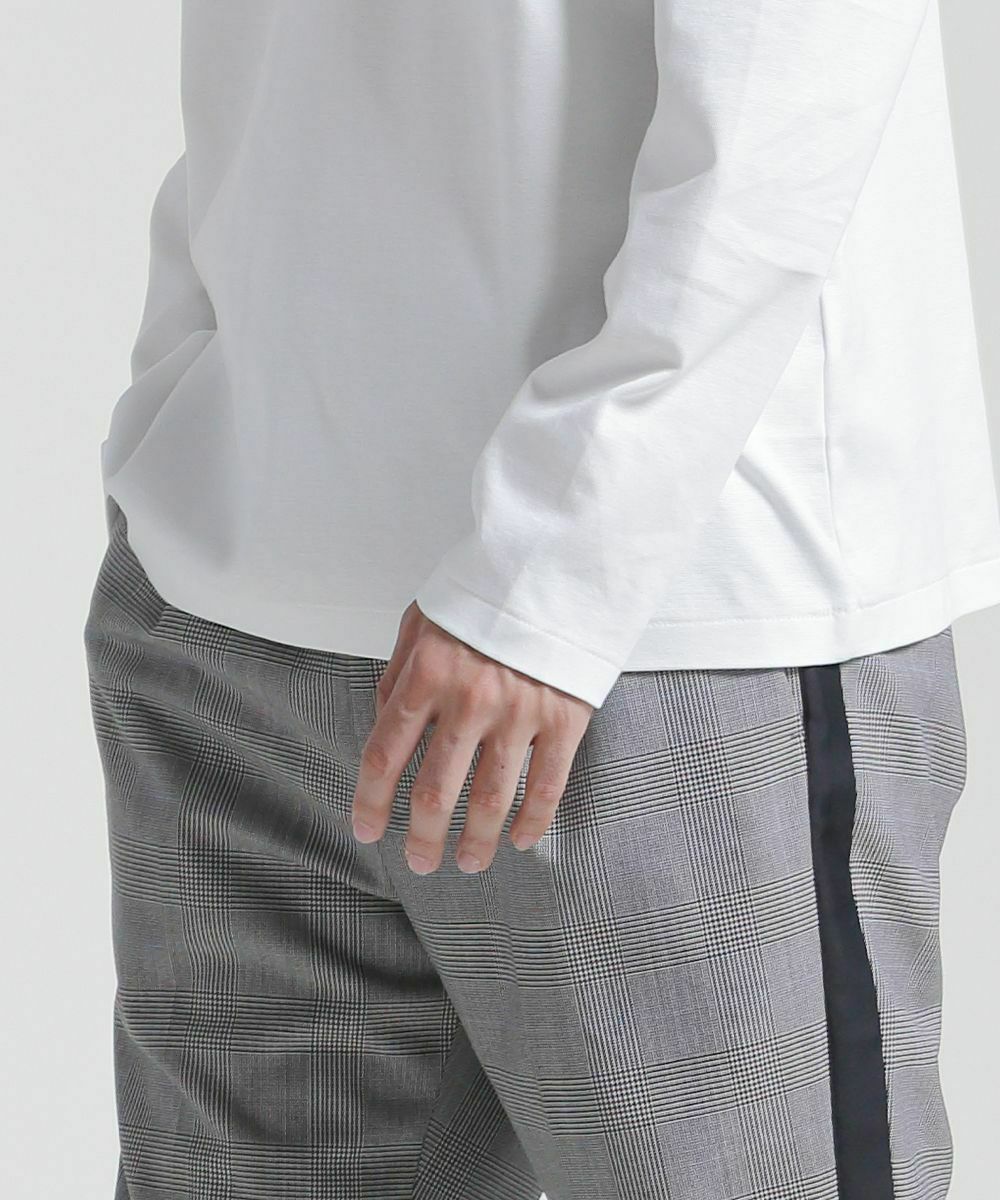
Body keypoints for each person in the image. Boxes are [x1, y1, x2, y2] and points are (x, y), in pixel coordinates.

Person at [83, 3, 1000, 1198]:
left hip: (664, 637)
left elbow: (791, 99)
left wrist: (554, 569)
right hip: (235, 594)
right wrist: (191, 393)